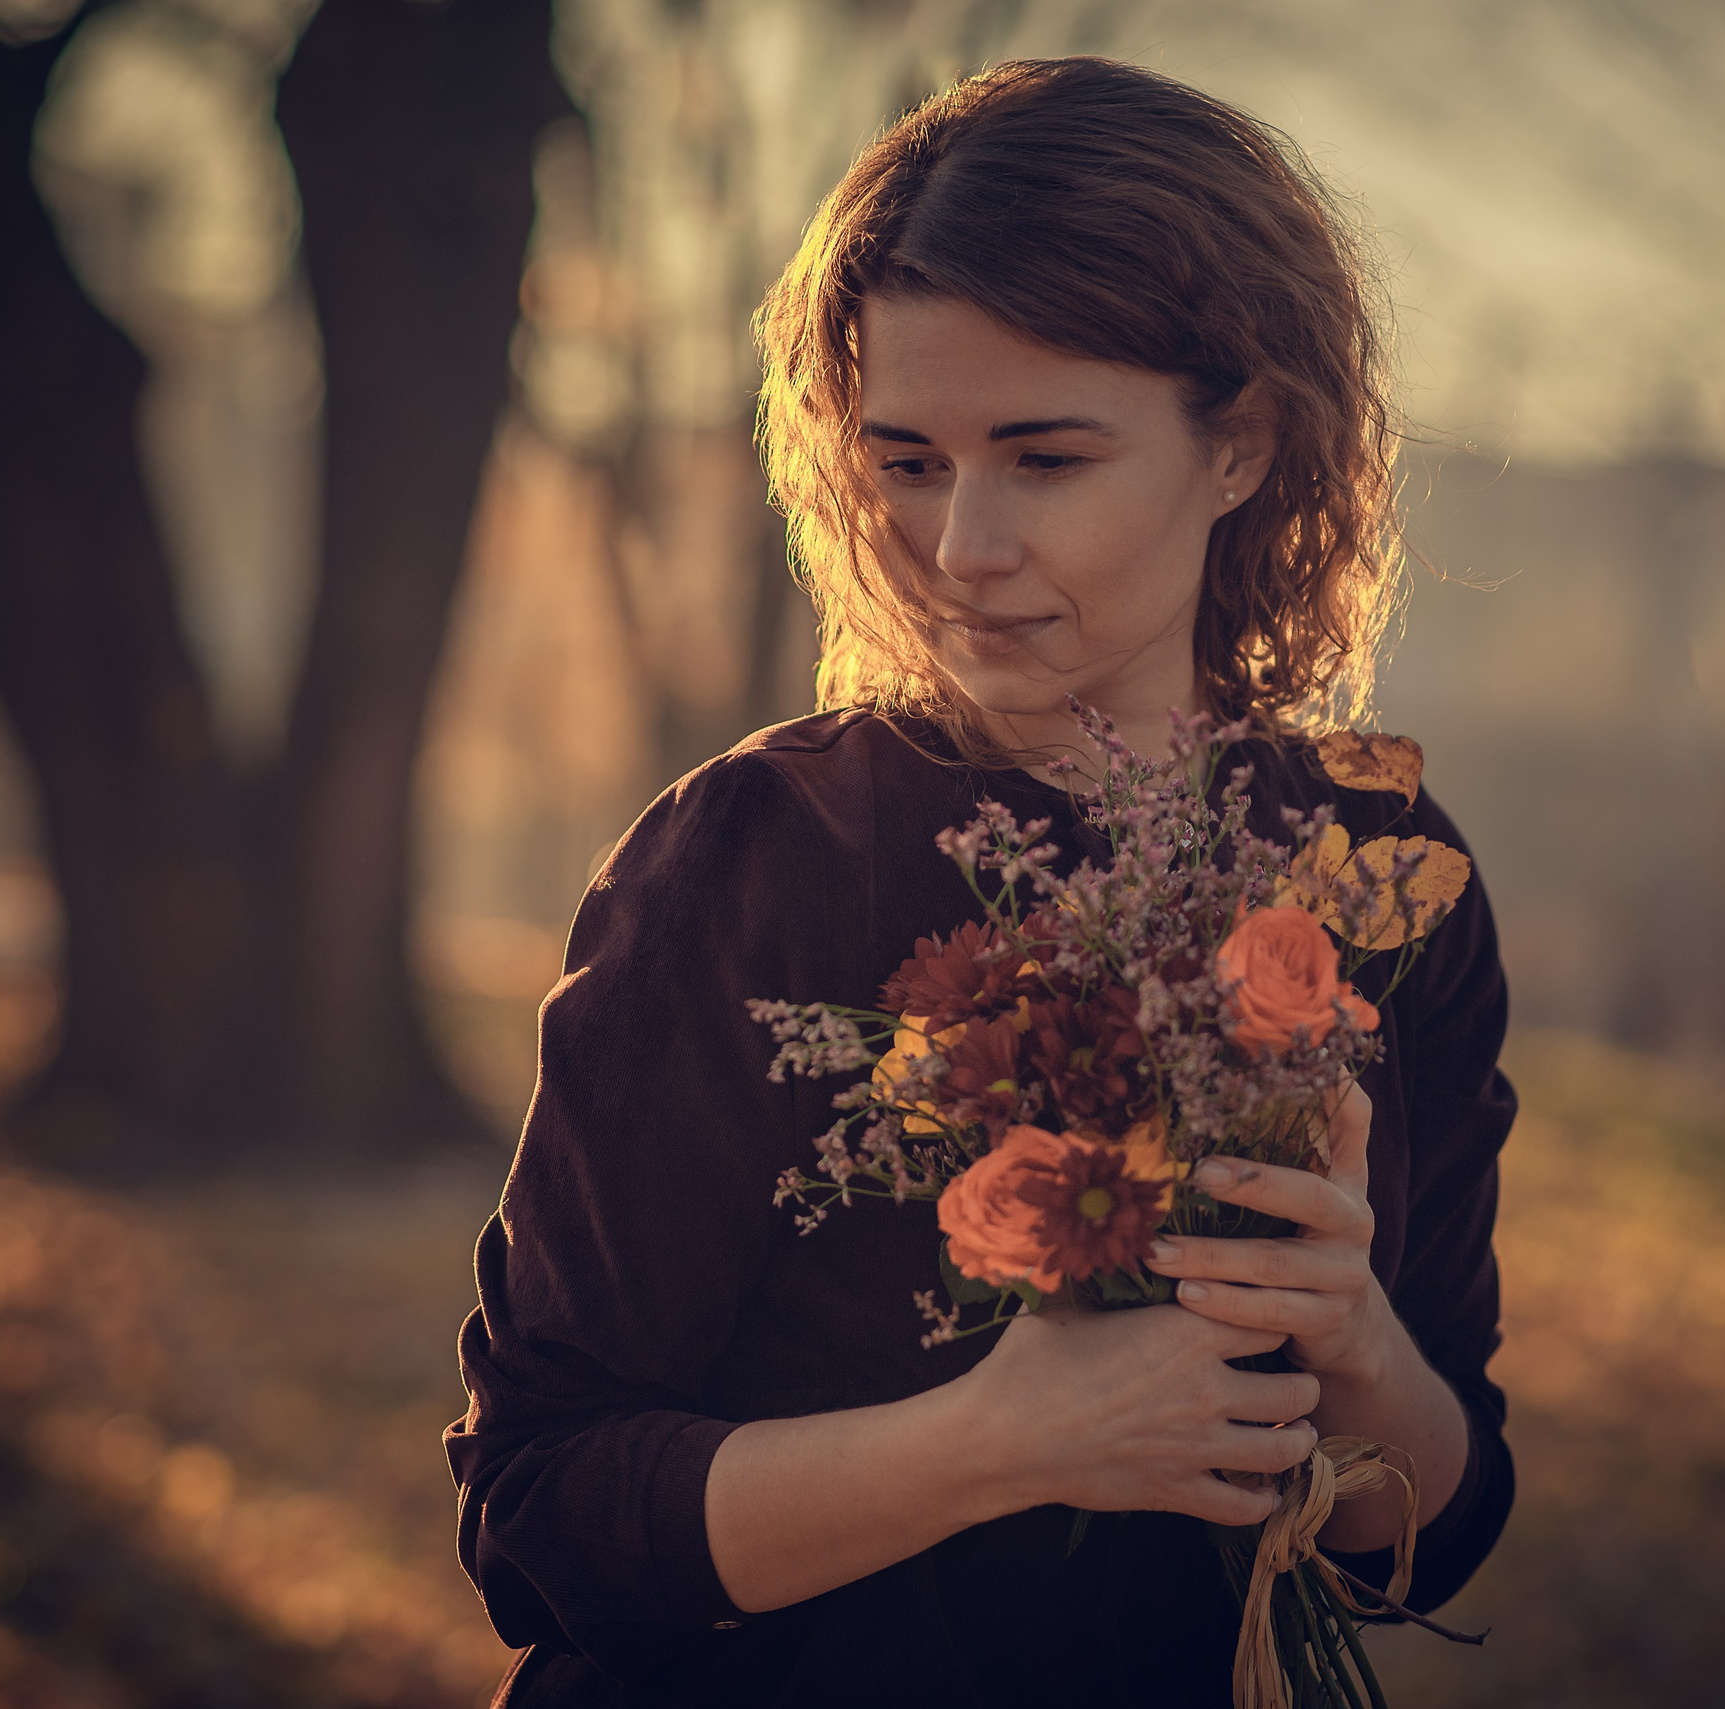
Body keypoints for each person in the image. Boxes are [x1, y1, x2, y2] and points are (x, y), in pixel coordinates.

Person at [446, 57, 1515, 1707]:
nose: (959, 549)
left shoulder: (1381, 879)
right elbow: (541, 1515)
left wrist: (1357, 1340)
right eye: (909, 463)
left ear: (1242, 444)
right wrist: (996, 1440)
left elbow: (1424, 1547)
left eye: (1045, 458)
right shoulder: (752, 855)